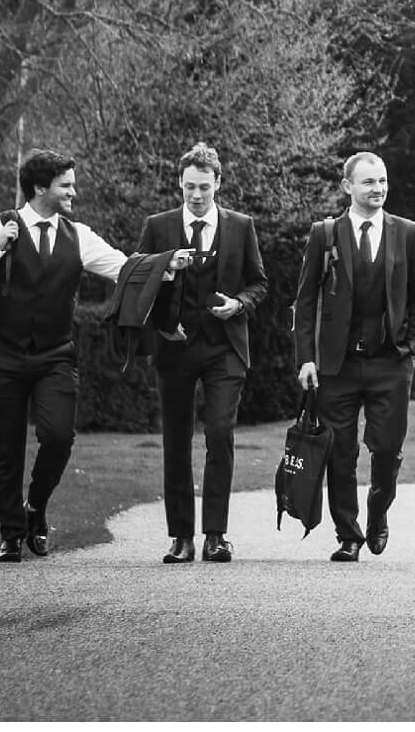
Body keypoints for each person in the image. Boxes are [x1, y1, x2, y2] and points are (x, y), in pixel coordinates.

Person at [0, 148, 178, 563]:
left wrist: (165, 264)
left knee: (58, 437)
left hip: (55, 354)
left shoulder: (79, 236)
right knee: (7, 448)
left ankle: (35, 506)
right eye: (66, 184)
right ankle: (11, 534)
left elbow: (124, 268)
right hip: (2, 352)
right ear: (40, 188)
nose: (74, 191)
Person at [293, 152, 415, 563]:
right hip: (338, 365)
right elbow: (305, 301)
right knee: (339, 450)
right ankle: (348, 533)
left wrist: (413, 350)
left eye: (383, 181)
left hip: (391, 363)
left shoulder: (407, 232)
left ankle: (378, 508)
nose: (378, 189)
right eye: (369, 182)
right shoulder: (325, 234)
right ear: (347, 186)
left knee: (387, 449)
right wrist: (307, 358)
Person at [137, 142, 269, 565]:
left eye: (204, 188)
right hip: (174, 348)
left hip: (223, 348)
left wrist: (240, 304)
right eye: (189, 187)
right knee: (176, 441)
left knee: (219, 433)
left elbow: (259, 282)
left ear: (218, 184)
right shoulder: (157, 226)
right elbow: (138, 284)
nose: (196, 196)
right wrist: (161, 322)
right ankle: (181, 537)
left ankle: (215, 534)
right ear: (180, 183)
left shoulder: (241, 226)